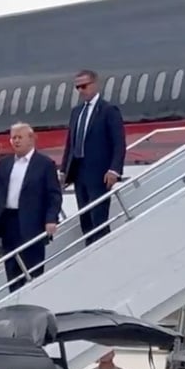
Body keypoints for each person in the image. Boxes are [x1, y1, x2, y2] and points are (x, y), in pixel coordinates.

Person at [0, 122, 62, 291]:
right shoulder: (5, 163)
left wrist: (51, 218)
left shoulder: (44, 164)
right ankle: (14, 298)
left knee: (33, 267)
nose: (16, 141)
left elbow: (54, 195)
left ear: (31, 139)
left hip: (32, 222)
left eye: (19, 137)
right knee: (12, 268)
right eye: (13, 138)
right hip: (9, 221)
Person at [60, 69, 127, 245]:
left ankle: (103, 250)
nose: (81, 90)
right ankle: (90, 248)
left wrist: (114, 169)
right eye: (77, 88)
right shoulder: (77, 112)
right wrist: (64, 170)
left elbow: (119, 143)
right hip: (79, 172)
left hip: (99, 173)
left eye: (84, 86)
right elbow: (71, 143)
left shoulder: (108, 110)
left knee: (99, 216)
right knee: (85, 217)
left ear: (95, 85)